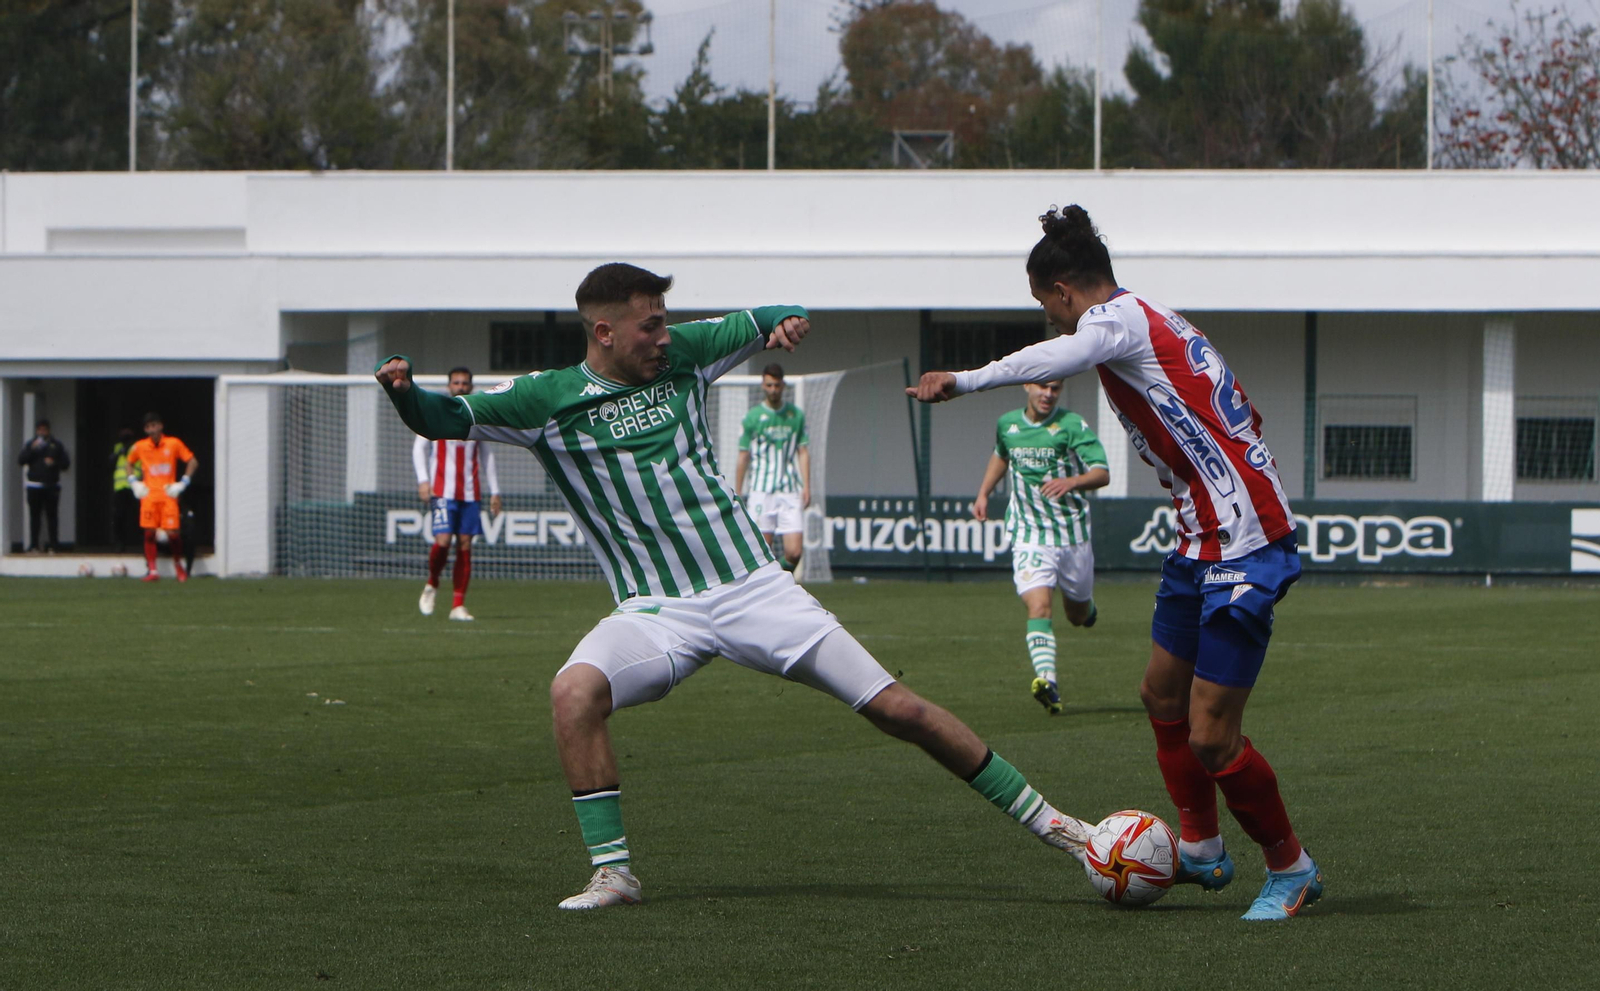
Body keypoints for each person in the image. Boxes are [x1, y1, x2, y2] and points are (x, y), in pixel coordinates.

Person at [376, 262, 1094, 911]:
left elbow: (763, 316)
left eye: (665, 319)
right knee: (573, 693)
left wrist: (786, 318)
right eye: (650, 322)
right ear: (605, 330)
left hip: (755, 589)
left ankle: (1062, 828)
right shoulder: (546, 400)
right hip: (656, 610)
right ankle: (614, 872)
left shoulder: (685, 353)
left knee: (898, 708)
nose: (665, 333)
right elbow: (445, 418)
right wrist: (407, 393)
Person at [909, 205, 1319, 922]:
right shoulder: (1158, 321)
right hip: (1202, 533)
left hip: (1245, 540)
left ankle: (1291, 867)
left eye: (1049, 309)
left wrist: (966, 380)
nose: (1057, 326)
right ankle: (1199, 847)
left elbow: (1061, 357)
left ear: (1064, 290)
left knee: (1211, 733)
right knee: (1161, 696)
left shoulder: (1116, 321)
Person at [973, 379, 1109, 715]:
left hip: (1071, 533)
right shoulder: (1008, 424)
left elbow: (1102, 472)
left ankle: (1086, 608)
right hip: (1029, 533)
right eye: (1043, 387)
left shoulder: (1072, 425)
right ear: (1026, 386)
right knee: (1039, 607)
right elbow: (1001, 454)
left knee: (1076, 616)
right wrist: (984, 493)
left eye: (1056, 388)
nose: (1049, 394)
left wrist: (1072, 481)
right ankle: (1047, 681)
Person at [412, 367, 502, 622]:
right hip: (442, 491)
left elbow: (487, 455)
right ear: (449, 385)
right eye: (456, 383)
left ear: (471, 387)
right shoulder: (436, 411)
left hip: (471, 492)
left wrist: (495, 491)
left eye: (465, 383)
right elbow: (419, 447)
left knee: (465, 545)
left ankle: (458, 605)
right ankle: (432, 583)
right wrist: (423, 481)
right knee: (442, 541)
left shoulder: (478, 416)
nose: (460, 387)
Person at [734, 363, 810, 573]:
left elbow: (803, 452)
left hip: (789, 489)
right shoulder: (753, 417)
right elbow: (743, 456)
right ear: (763, 385)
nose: (773, 390)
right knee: (762, 551)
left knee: (794, 553)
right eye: (769, 385)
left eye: (777, 385)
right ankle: (769, 593)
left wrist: (806, 486)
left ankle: (782, 582)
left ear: (783, 385)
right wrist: (738, 491)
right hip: (761, 490)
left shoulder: (795, 416)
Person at [125, 412, 198, 582]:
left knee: (173, 533)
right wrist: (134, 482)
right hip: (149, 496)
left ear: (161, 426)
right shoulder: (140, 446)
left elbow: (192, 461)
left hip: (168, 496)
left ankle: (178, 565)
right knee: (149, 533)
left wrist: (183, 483)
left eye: (154, 425)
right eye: (148, 427)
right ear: (145, 429)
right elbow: (128, 463)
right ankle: (153, 571)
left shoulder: (173, 443)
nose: (152, 430)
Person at [18, 419, 70, 553]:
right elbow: (21, 460)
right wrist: (31, 449)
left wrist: (54, 462)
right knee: (34, 516)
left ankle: (54, 545)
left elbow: (66, 464)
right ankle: (34, 545)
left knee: (52, 516)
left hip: (51, 486)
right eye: (40, 429)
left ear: (48, 430)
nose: (42, 432)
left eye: (44, 429)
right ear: (36, 431)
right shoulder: (31, 444)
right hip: (34, 486)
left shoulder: (56, 445)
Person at [110, 428, 139, 552]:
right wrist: (118, 453)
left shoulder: (138, 448)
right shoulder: (117, 448)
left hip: (135, 486)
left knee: (138, 516)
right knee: (119, 517)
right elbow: (110, 463)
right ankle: (119, 543)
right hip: (120, 486)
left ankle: (141, 542)